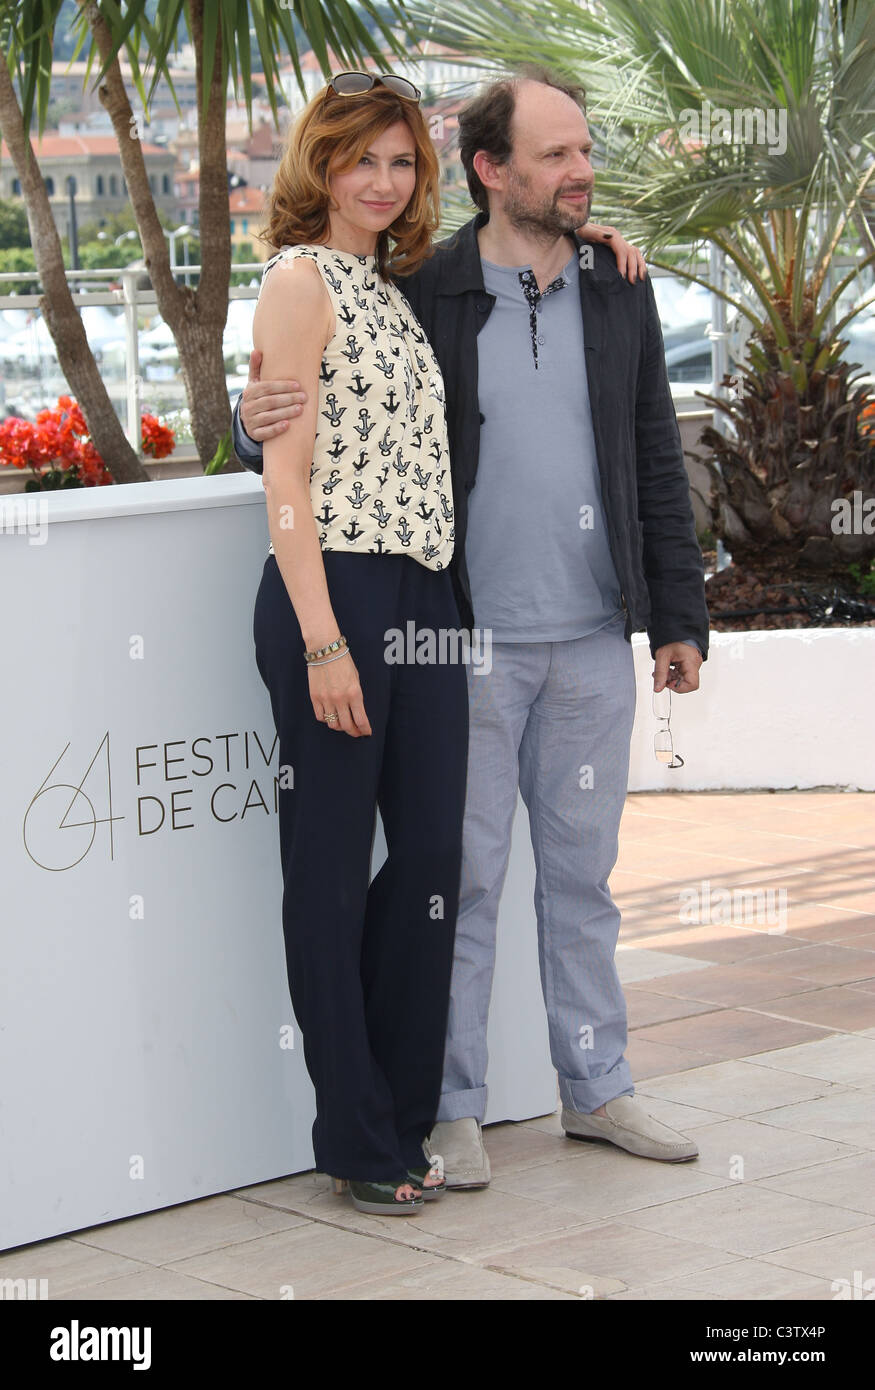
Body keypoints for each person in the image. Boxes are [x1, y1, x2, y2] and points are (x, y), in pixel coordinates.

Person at [236, 65, 710, 1191]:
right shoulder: (418, 284)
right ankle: (417, 1122)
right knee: (428, 880)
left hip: (530, 623)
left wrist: (676, 615)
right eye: (553, 154)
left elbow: (651, 452)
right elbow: (296, 416)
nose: (580, 171)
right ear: (492, 171)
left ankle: (558, 1094)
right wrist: (249, 421)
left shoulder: (593, 284)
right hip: (433, 625)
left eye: (401, 163)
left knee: (521, 873)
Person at [251, 70, 473, 1215]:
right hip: (331, 594)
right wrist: (322, 639)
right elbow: (281, 474)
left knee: (433, 858)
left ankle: (395, 1101)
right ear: (320, 164)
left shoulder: (390, 287)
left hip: (425, 595)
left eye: (401, 163)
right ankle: (356, 1133)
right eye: (362, 160)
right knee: (329, 876)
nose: (382, 182)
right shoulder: (298, 282)